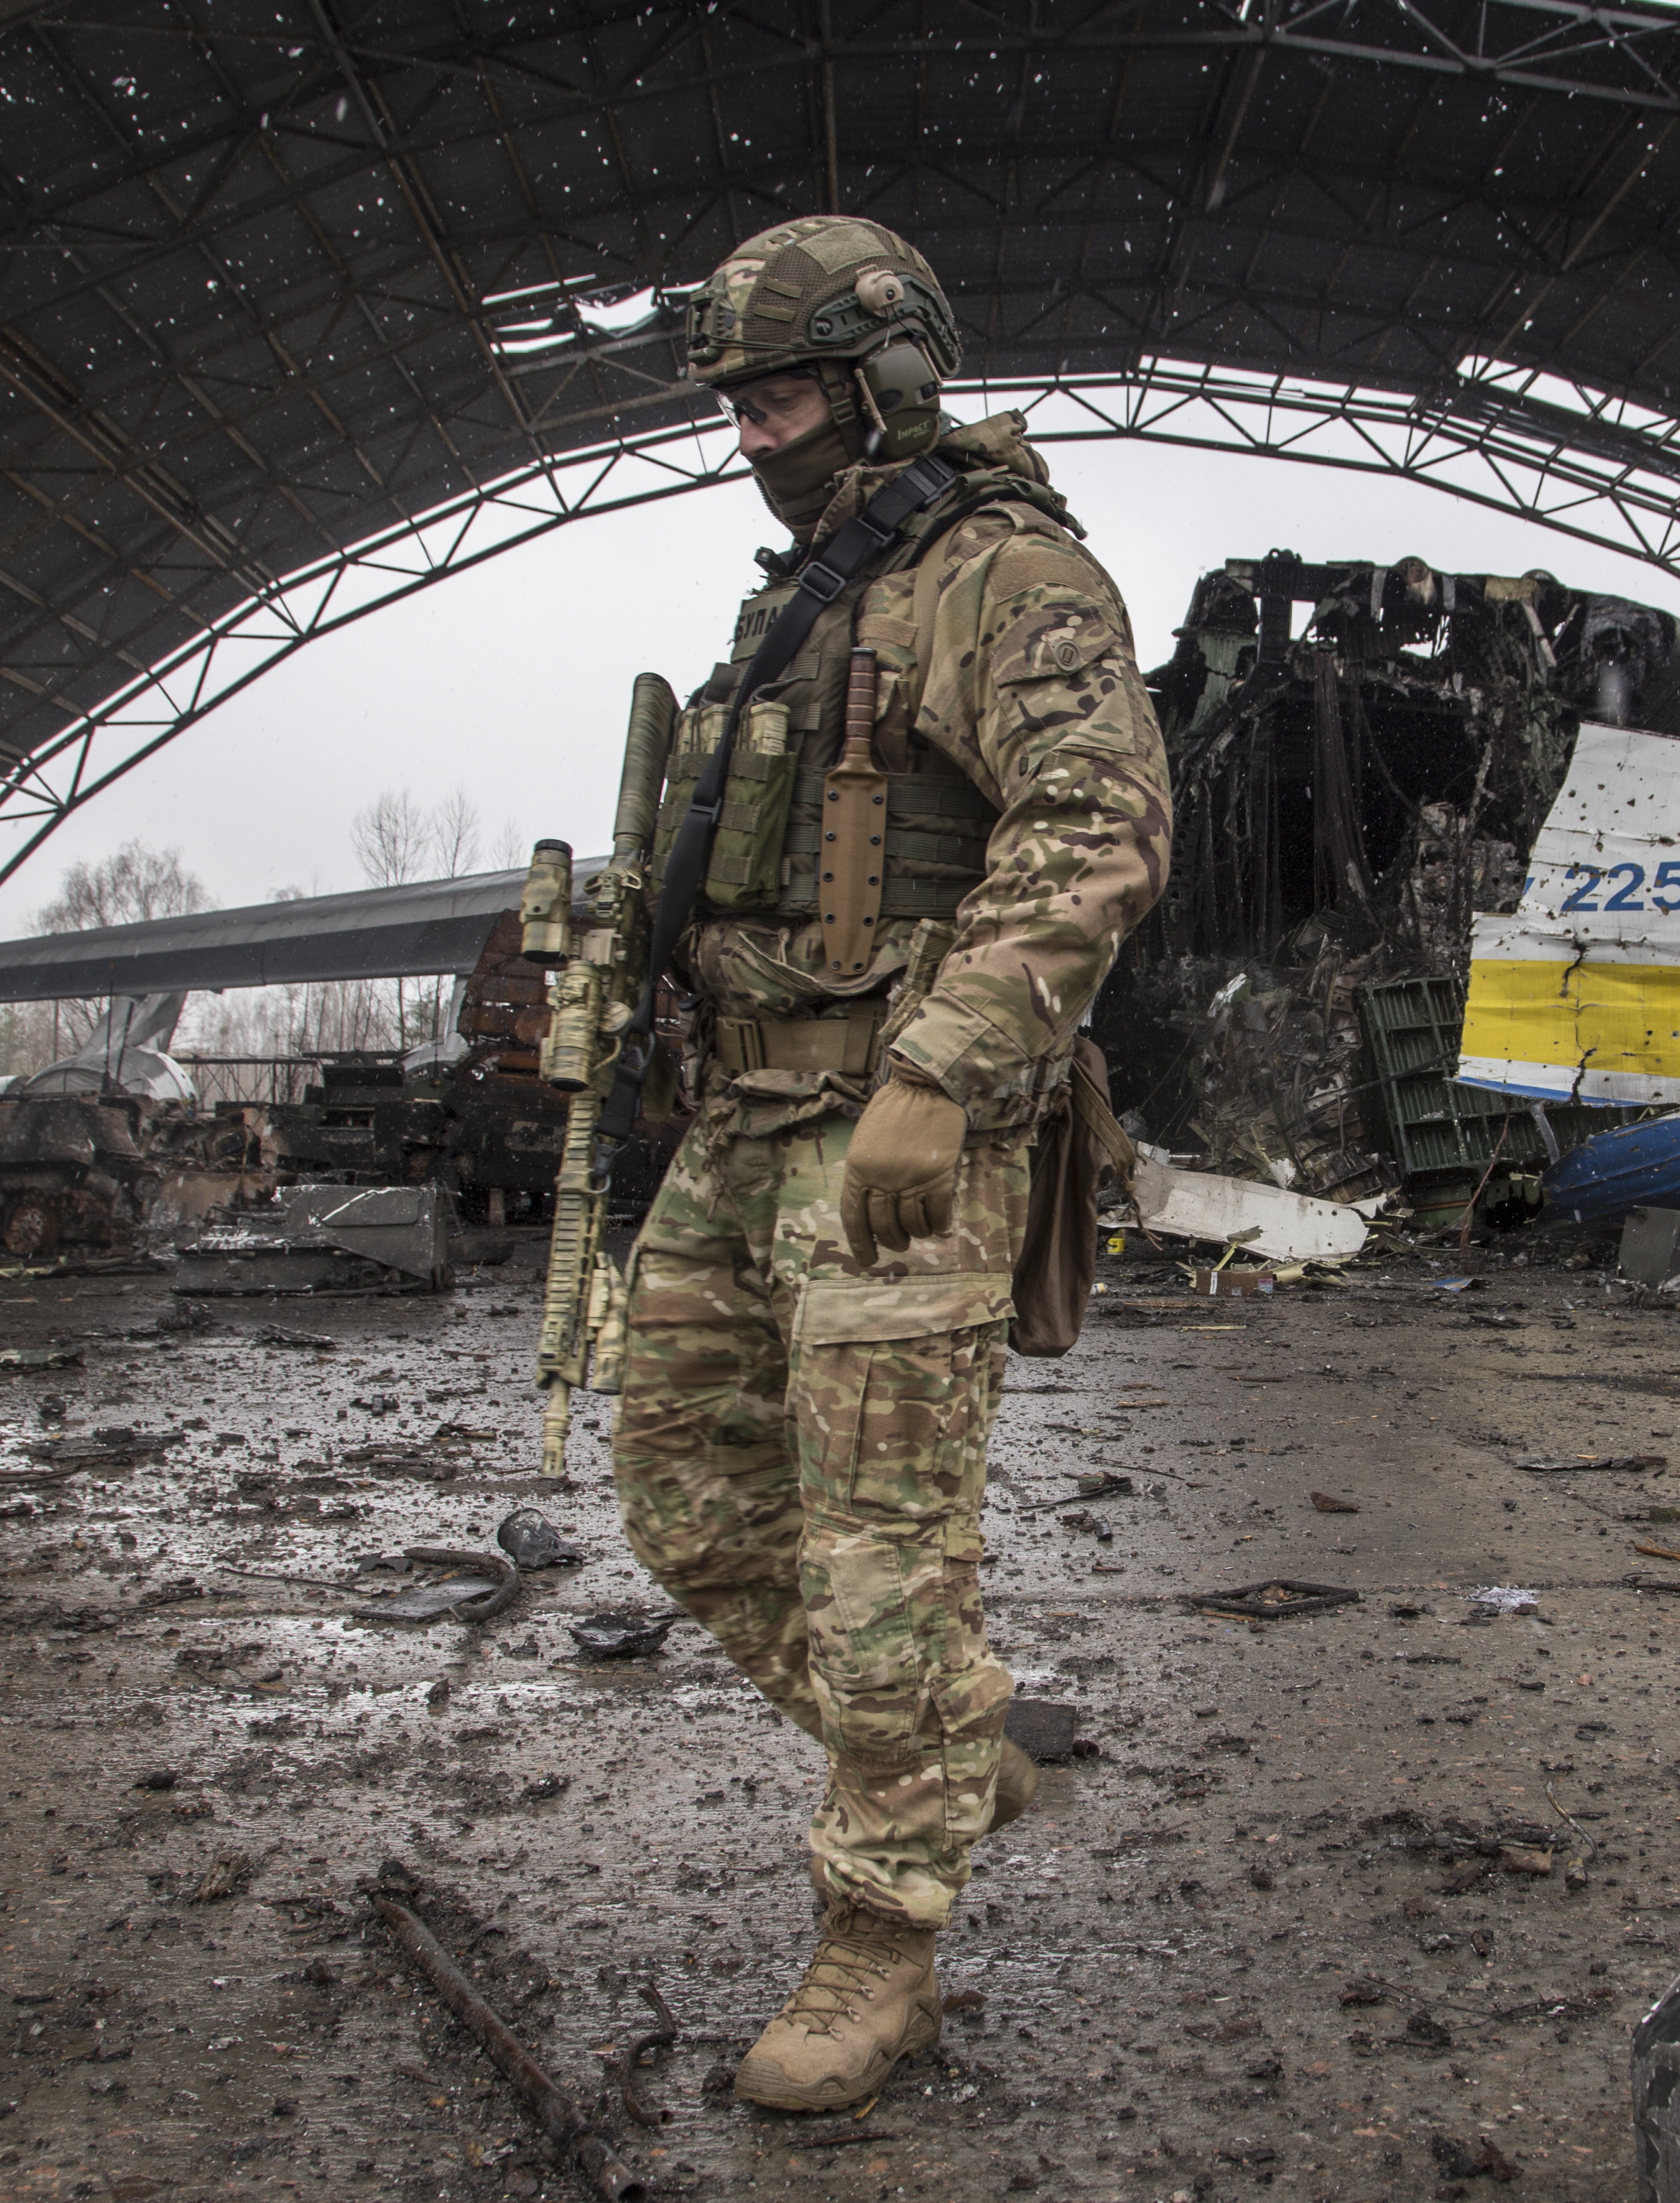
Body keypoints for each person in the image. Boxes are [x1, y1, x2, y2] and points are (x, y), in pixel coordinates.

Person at [606, 217, 1171, 2114]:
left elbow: (1095, 828)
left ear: (888, 377)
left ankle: (878, 1939)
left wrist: (941, 1069)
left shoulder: (1002, 573)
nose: (748, 432)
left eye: (778, 394)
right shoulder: (809, 604)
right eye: (735, 400)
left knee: (879, 1564)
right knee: (682, 1494)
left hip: (893, 1143)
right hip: (742, 1118)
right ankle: (939, 1750)